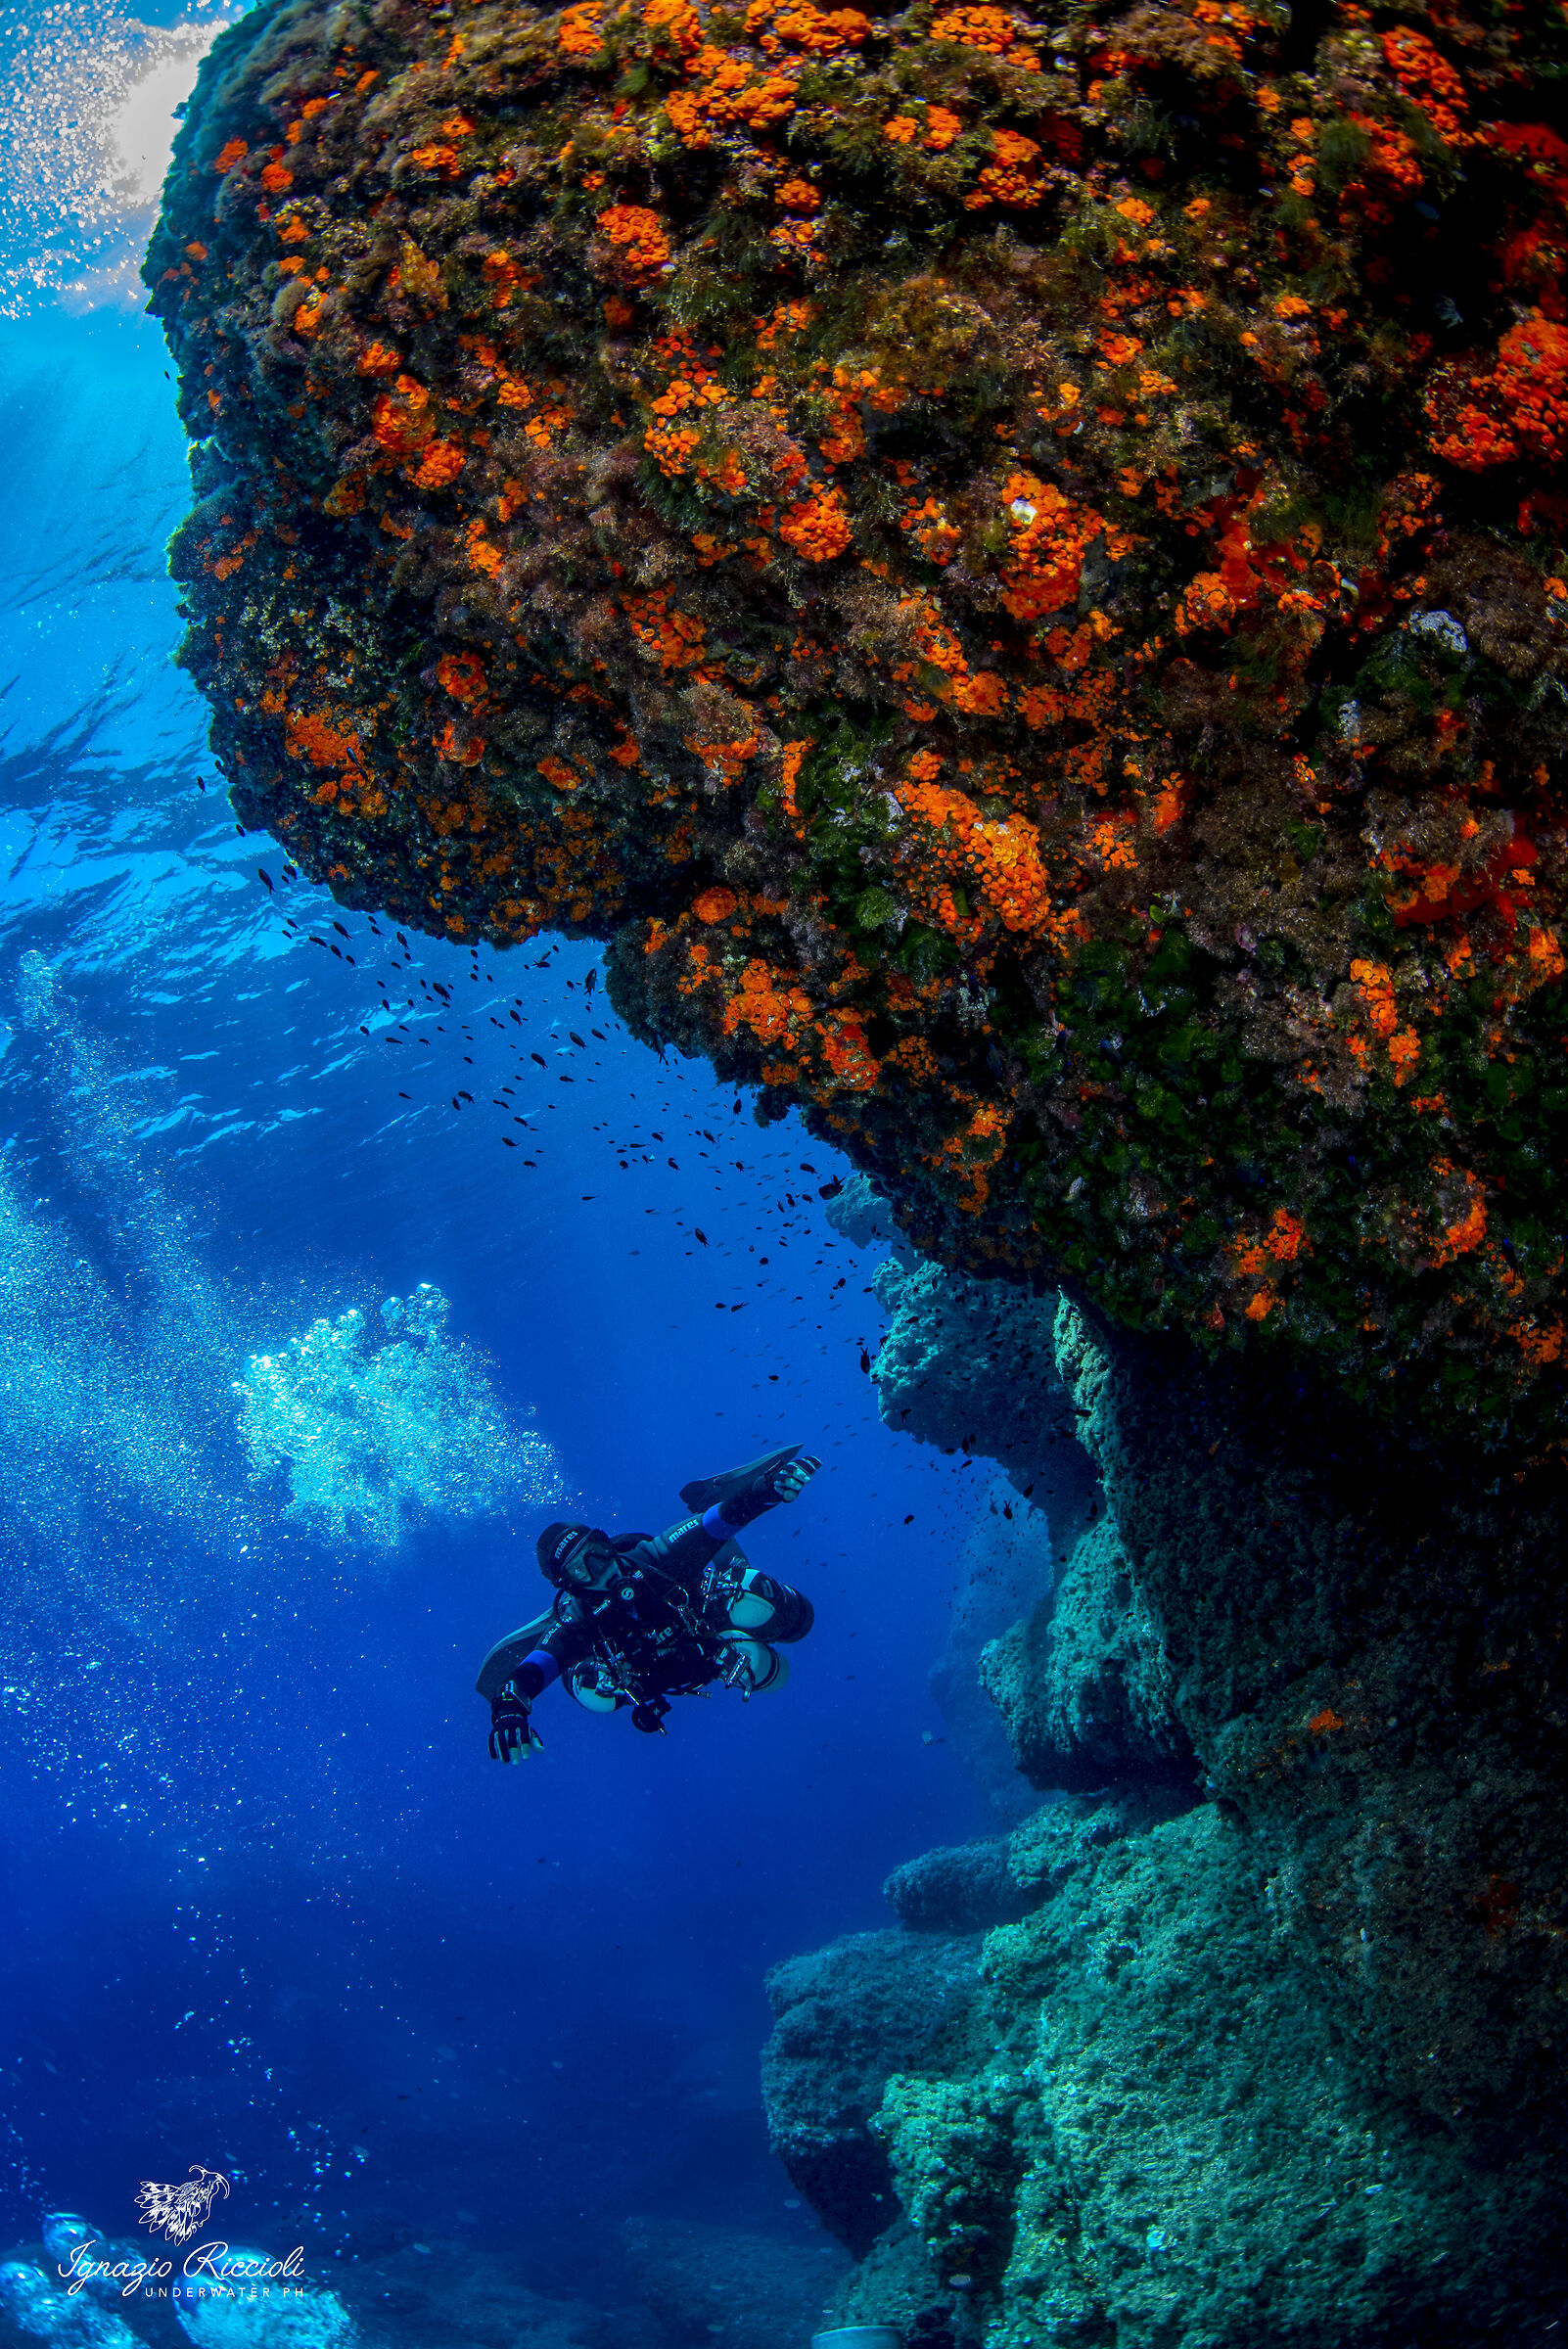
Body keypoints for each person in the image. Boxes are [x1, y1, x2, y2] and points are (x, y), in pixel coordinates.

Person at [476, 1446, 820, 1759]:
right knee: (594, 1694)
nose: (601, 1568)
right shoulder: (578, 1621)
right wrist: (509, 1709)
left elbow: (715, 1524)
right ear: (569, 1586)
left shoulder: (653, 1556)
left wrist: (765, 1490)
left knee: (777, 1609)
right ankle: (612, 1685)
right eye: (582, 1568)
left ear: (607, 1542)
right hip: (655, 1671)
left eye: (597, 1550)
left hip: (704, 1622)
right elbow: (533, 1669)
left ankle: (714, 1519)